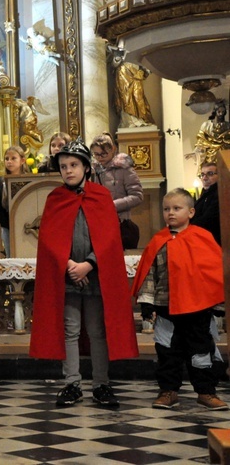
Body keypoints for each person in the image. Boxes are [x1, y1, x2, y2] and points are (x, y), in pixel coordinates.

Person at [29, 138, 139, 408]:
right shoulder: (55, 199)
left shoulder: (101, 196)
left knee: (97, 330)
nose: (68, 170)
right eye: (64, 166)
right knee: (70, 330)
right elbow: (49, 239)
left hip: (95, 276)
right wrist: (69, 265)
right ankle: (72, 384)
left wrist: (88, 263)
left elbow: (110, 238)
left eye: (74, 165)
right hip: (66, 277)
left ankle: (101, 384)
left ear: (87, 167)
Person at [132, 188, 227, 411]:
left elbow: (213, 273)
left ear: (191, 211)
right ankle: (168, 392)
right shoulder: (158, 241)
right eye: (166, 209)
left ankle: (206, 392)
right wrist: (147, 303)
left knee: (201, 351)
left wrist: (217, 304)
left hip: (197, 309)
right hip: (167, 310)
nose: (171, 213)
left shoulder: (203, 238)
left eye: (177, 208)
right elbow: (149, 274)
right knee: (167, 352)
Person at [90, 133, 143, 249]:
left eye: (104, 154)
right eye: (96, 154)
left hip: (121, 224)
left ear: (113, 149)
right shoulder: (94, 171)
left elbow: (137, 196)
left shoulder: (124, 168)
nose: (100, 158)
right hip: (100, 224)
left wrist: (112, 205)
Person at [0, 146, 28, 256]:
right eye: (7, 159)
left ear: (22, 160)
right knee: (11, 254)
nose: (9, 161)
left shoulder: (29, 179)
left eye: (13, 158)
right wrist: (9, 223)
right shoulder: (0, 182)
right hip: (8, 225)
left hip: (27, 224)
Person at [112, 53, 155, 128]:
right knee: (126, 98)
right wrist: (117, 59)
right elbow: (114, 64)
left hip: (137, 72)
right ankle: (129, 122)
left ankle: (141, 120)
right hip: (124, 71)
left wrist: (147, 67)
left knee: (138, 96)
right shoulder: (120, 44)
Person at [193, 100, 230, 169]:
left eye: (223, 112)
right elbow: (201, 142)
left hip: (225, 155)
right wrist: (195, 153)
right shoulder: (206, 125)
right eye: (219, 111)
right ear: (215, 112)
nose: (221, 114)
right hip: (211, 157)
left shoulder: (228, 126)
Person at [192, 162, 221, 245]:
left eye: (210, 174)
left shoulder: (219, 194)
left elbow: (208, 219)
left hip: (215, 241)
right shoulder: (205, 193)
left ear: (220, 175)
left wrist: (186, 227)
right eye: (202, 174)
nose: (204, 178)